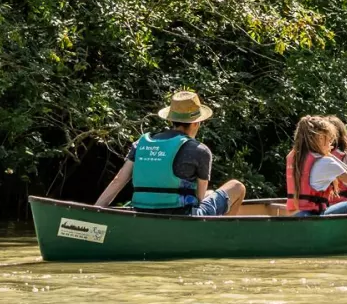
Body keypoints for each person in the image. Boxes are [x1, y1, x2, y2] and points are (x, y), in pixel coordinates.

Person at [94, 91, 246, 216]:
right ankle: (222, 238)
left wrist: (94, 211)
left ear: (171, 120)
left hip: (141, 212)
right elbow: (199, 198)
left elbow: (118, 181)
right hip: (182, 216)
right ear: (196, 122)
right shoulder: (200, 150)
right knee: (237, 187)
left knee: (210, 193)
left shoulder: (141, 143)